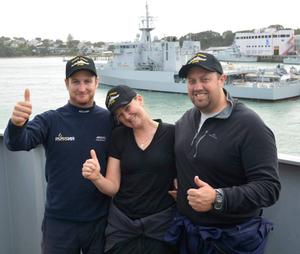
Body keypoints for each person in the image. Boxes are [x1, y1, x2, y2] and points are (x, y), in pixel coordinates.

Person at [165, 52, 281, 254]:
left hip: (231, 239)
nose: (197, 86)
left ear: (222, 79)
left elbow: (269, 188)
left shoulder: (249, 125)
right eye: (191, 81)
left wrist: (218, 198)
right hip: (189, 232)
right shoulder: (187, 119)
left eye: (205, 79)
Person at [4, 56, 112, 254]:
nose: (82, 88)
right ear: (66, 84)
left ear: (97, 82)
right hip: (59, 222)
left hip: (101, 221)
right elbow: (17, 143)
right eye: (75, 82)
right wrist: (17, 124)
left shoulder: (110, 120)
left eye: (87, 81)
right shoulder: (50, 119)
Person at [82, 85, 177, 254]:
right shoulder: (119, 137)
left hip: (160, 226)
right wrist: (96, 177)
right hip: (123, 226)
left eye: (127, 107)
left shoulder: (172, 134)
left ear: (139, 99)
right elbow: (113, 187)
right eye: (120, 114)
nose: (126, 116)